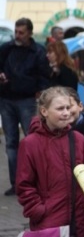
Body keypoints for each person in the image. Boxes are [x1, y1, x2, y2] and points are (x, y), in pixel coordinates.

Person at [15, 86, 84, 237]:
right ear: (44, 112)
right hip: (49, 224)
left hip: (80, 223)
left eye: (68, 107)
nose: (66, 113)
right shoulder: (30, 143)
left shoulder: (78, 139)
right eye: (60, 109)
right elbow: (24, 185)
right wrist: (39, 211)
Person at [0, 17, 50, 196]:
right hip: (6, 99)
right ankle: (16, 183)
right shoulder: (6, 49)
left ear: (29, 32)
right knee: (11, 143)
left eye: (21, 32)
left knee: (33, 140)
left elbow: (45, 74)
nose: (17, 35)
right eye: (16, 31)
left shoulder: (37, 51)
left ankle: (36, 181)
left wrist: (40, 91)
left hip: (27, 100)